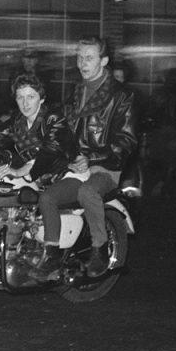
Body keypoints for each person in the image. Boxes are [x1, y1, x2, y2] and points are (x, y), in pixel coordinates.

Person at [34, 35, 138, 278]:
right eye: (79, 57)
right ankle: (53, 253)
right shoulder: (77, 90)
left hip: (105, 167)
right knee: (46, 197)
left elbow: (127, 141)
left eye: (89, 58)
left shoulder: (121, 96)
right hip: (77, 167)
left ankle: (99, 250)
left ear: (104, 61)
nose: (82, 63)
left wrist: (91, 159)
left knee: (87, 192)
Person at [0, 73, 76, 264]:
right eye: (20, 97)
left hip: (60, 174)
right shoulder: (18, 122)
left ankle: (52, 255)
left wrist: (21, 170)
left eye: (30, 97)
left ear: (41, 98)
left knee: (46, 199)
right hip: (36, 177)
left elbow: (51, 150)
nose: (25, 103)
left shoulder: (53, 119)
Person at [143, 67, 176, 197]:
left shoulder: (159, 92)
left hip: (159, 130)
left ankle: (155, 184)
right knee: (172, 159)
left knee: (157, 158)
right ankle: (166, 184)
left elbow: (149, 111)